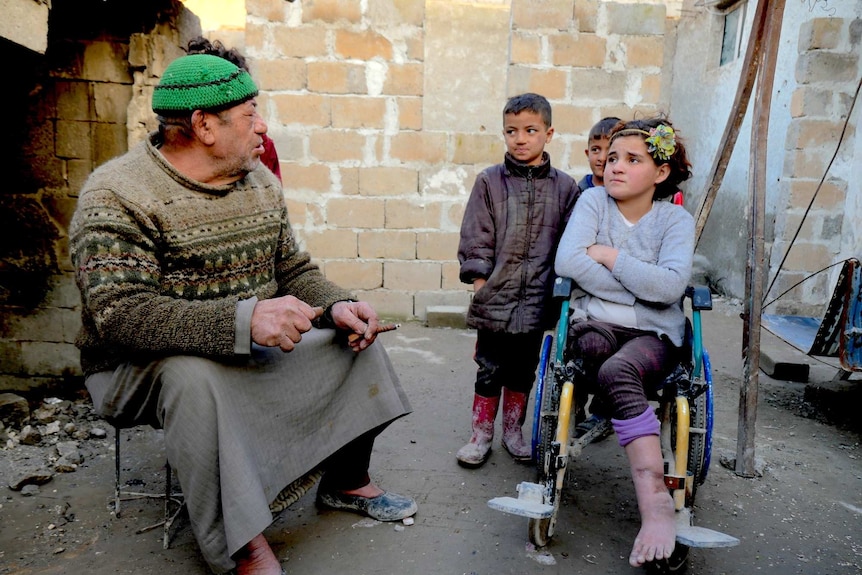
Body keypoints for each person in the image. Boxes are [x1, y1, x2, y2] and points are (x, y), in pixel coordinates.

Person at [69, 53, 416, 575]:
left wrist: (337, 304)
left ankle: (345, 480)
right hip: (133, 367)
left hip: (242, 345)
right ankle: (239, 543)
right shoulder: (116, 193)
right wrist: (243, 319)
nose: (263, 126)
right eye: (250, 114)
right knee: (194, 377)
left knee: (356, 342)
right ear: (205, 125)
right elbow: (121, 315)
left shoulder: (258, 183)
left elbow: (294, 268)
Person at [554, 116, 694, 568]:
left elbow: (673, 288)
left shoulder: (675, 220)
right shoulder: (593, 202)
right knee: (590, 351)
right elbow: (568, 260)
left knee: (618, 371)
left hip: (653, 335)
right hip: (595, 324)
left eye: (632, 159)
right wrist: (642, 287)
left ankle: (655, 505)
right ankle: (621, 409)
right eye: (612, 157)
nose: (615, 166)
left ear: (660, 172)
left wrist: (611, 256)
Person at [456, 93, 581, 468]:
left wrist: (561, 293)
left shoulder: (565, 188)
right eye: (512, 131)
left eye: (530, 130)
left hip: (539, 299)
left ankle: (513, 431)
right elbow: (477, 234)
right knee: (490, 366)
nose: (520, 139)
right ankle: (480, 435)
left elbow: (570, 243)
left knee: (524, 370)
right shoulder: (489, 182)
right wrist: (481, 284)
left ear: (549, 133)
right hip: (496, 294)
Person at [185, 35, 283, 182]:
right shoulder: (172, 155)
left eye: (252, 107)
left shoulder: (262, 148)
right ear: (203, 124)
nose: (262, 128)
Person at [578, 116, 621, 191]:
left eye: (610, 151)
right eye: (596, 150)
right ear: (587, 154)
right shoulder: (575, 194)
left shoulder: (628, 195)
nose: (602, 158)